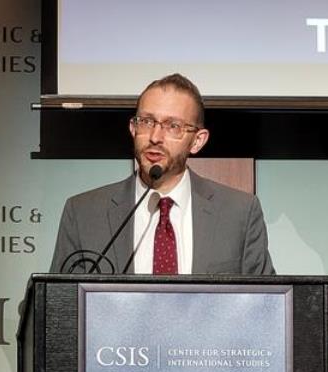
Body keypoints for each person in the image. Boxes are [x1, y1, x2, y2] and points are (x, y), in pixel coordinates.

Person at [50, 73, 274, 275]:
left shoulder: (239, 213)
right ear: (133, 128)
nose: (155, 136)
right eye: (146, 122)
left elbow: (267, 307)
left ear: (197, 141)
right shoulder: (84, 213)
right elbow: (57, 309)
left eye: (173, 126)